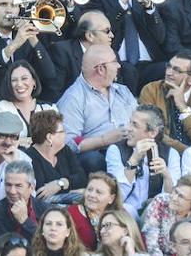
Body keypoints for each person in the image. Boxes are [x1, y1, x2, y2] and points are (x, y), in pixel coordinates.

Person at [57, 45, 136, 174]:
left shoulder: (123, 91)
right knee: (93, 160)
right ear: (101, 69)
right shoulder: (73, 98)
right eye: (114, 62)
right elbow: (68, 143)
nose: (119, 66)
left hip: (130, 147)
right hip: (99, 154)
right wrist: (104, 140)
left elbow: (140, 119)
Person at [141, 175, 191, 256]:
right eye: (175, 191)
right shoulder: (160, 202)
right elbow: (151, 243)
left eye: (181, 196)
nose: (174, 198)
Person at [22, 111, 85, 205]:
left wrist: (60, 184)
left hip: (70, 202)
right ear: (49, 137)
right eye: (62, 131)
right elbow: (42, 193)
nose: (65, 135)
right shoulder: (30, 157)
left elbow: (82, 178)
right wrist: (72, 189)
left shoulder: (65, 150)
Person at [65, 171, 123, 250]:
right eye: (89, 190)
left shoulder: (120, 215)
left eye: (98, 192)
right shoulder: (71, 213)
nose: (91, 195)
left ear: (111, 198)